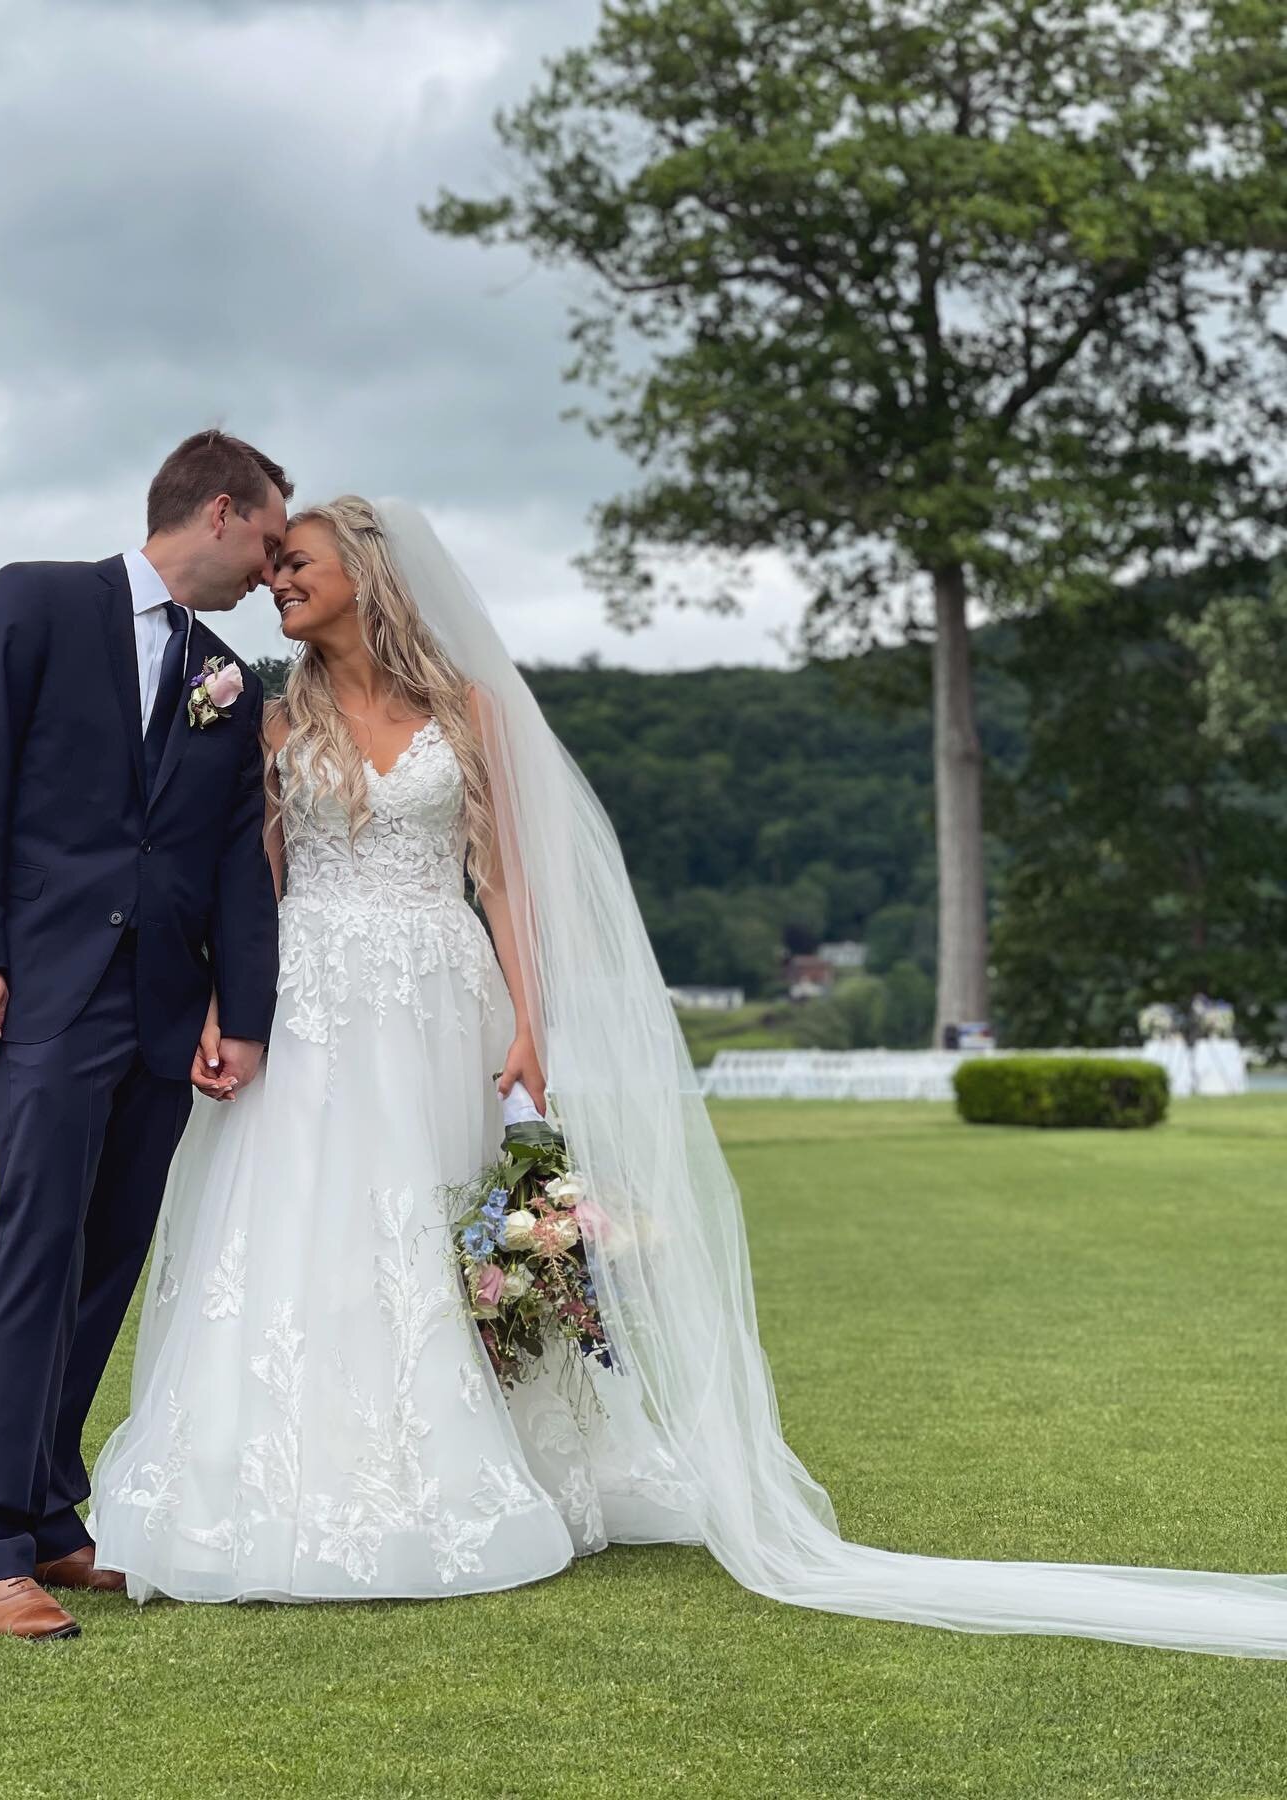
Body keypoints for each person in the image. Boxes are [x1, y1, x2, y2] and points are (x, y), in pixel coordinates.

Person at [96, 496, 1287, 1656]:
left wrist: (533, 1027)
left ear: (368, 568)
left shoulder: (466, 711)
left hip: (441, 997)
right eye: (274, 565)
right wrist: (221, 1002)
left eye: (298, 560)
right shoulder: (260, 716)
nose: (278, 580)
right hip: (308, 998)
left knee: (427, 1219)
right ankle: (271, 1475)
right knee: (300, 1217)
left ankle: (475, 1454)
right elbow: (250, 882)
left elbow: (503, 880)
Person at [0, 430, 287, 1638]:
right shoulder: (33, 602)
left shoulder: (231, 678)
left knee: (110, 1252)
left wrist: (246, 1016)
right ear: (220, 512)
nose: (271, 574)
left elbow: (237, 860)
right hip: (41, 991)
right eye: (269, 544)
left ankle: (47, 1513)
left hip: (163, 1011)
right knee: (36, 1245)